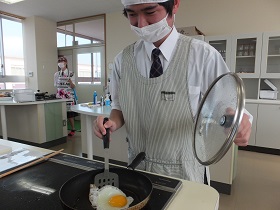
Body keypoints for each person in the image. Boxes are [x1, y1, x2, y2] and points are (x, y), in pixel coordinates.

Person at [93, 0, 252, 184]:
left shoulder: (201, 55)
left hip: (185, 170)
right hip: (138, 166)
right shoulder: (123, 61)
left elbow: (227, 105)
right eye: (132, 14)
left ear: (175, 5)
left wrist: (237, 123)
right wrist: (112, 122)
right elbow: (119, 107)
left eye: (150, 11)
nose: (141, 24)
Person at [54, 56, 78, 137]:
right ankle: (62, 130)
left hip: (69, 96)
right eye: (59, 61)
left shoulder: (71, 73)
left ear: (66, 62)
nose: (61, 63)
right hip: (60, 96)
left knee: (69, 114)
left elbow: (73, 86)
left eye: (62, 61)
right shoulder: (56, 74)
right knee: (60, 114)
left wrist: (70, 80)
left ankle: (73, 129)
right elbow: (56, 86)